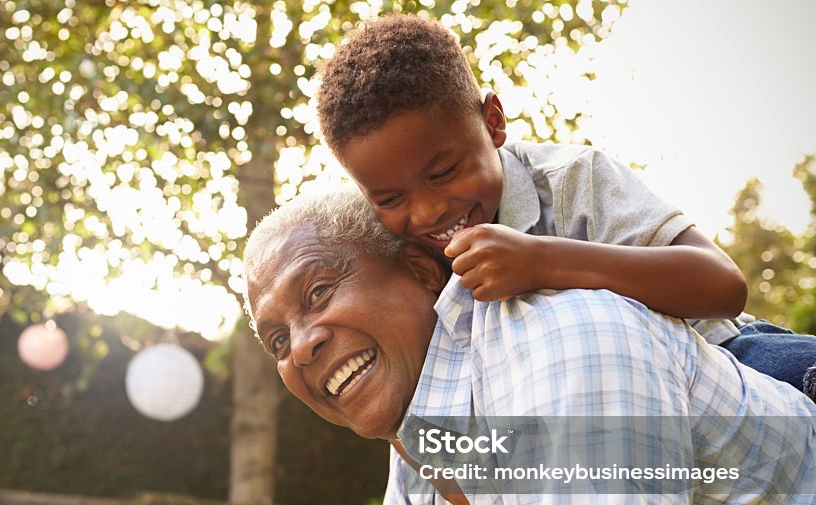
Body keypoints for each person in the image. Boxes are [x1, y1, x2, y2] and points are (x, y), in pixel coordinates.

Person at [243, 185, 816, 505]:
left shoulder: (570, 350)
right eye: (276, 341)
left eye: (317, 292)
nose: (301, 345)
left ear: (421, 271)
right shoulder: (423, 465)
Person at [315, 13, 816, 401]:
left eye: (443, 172)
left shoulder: (571, 179)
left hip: (729, 358)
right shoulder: (404, 257)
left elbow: (723, 286)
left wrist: (543, 261)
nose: (425, 214)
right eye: (389, 198)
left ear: (493, 122)